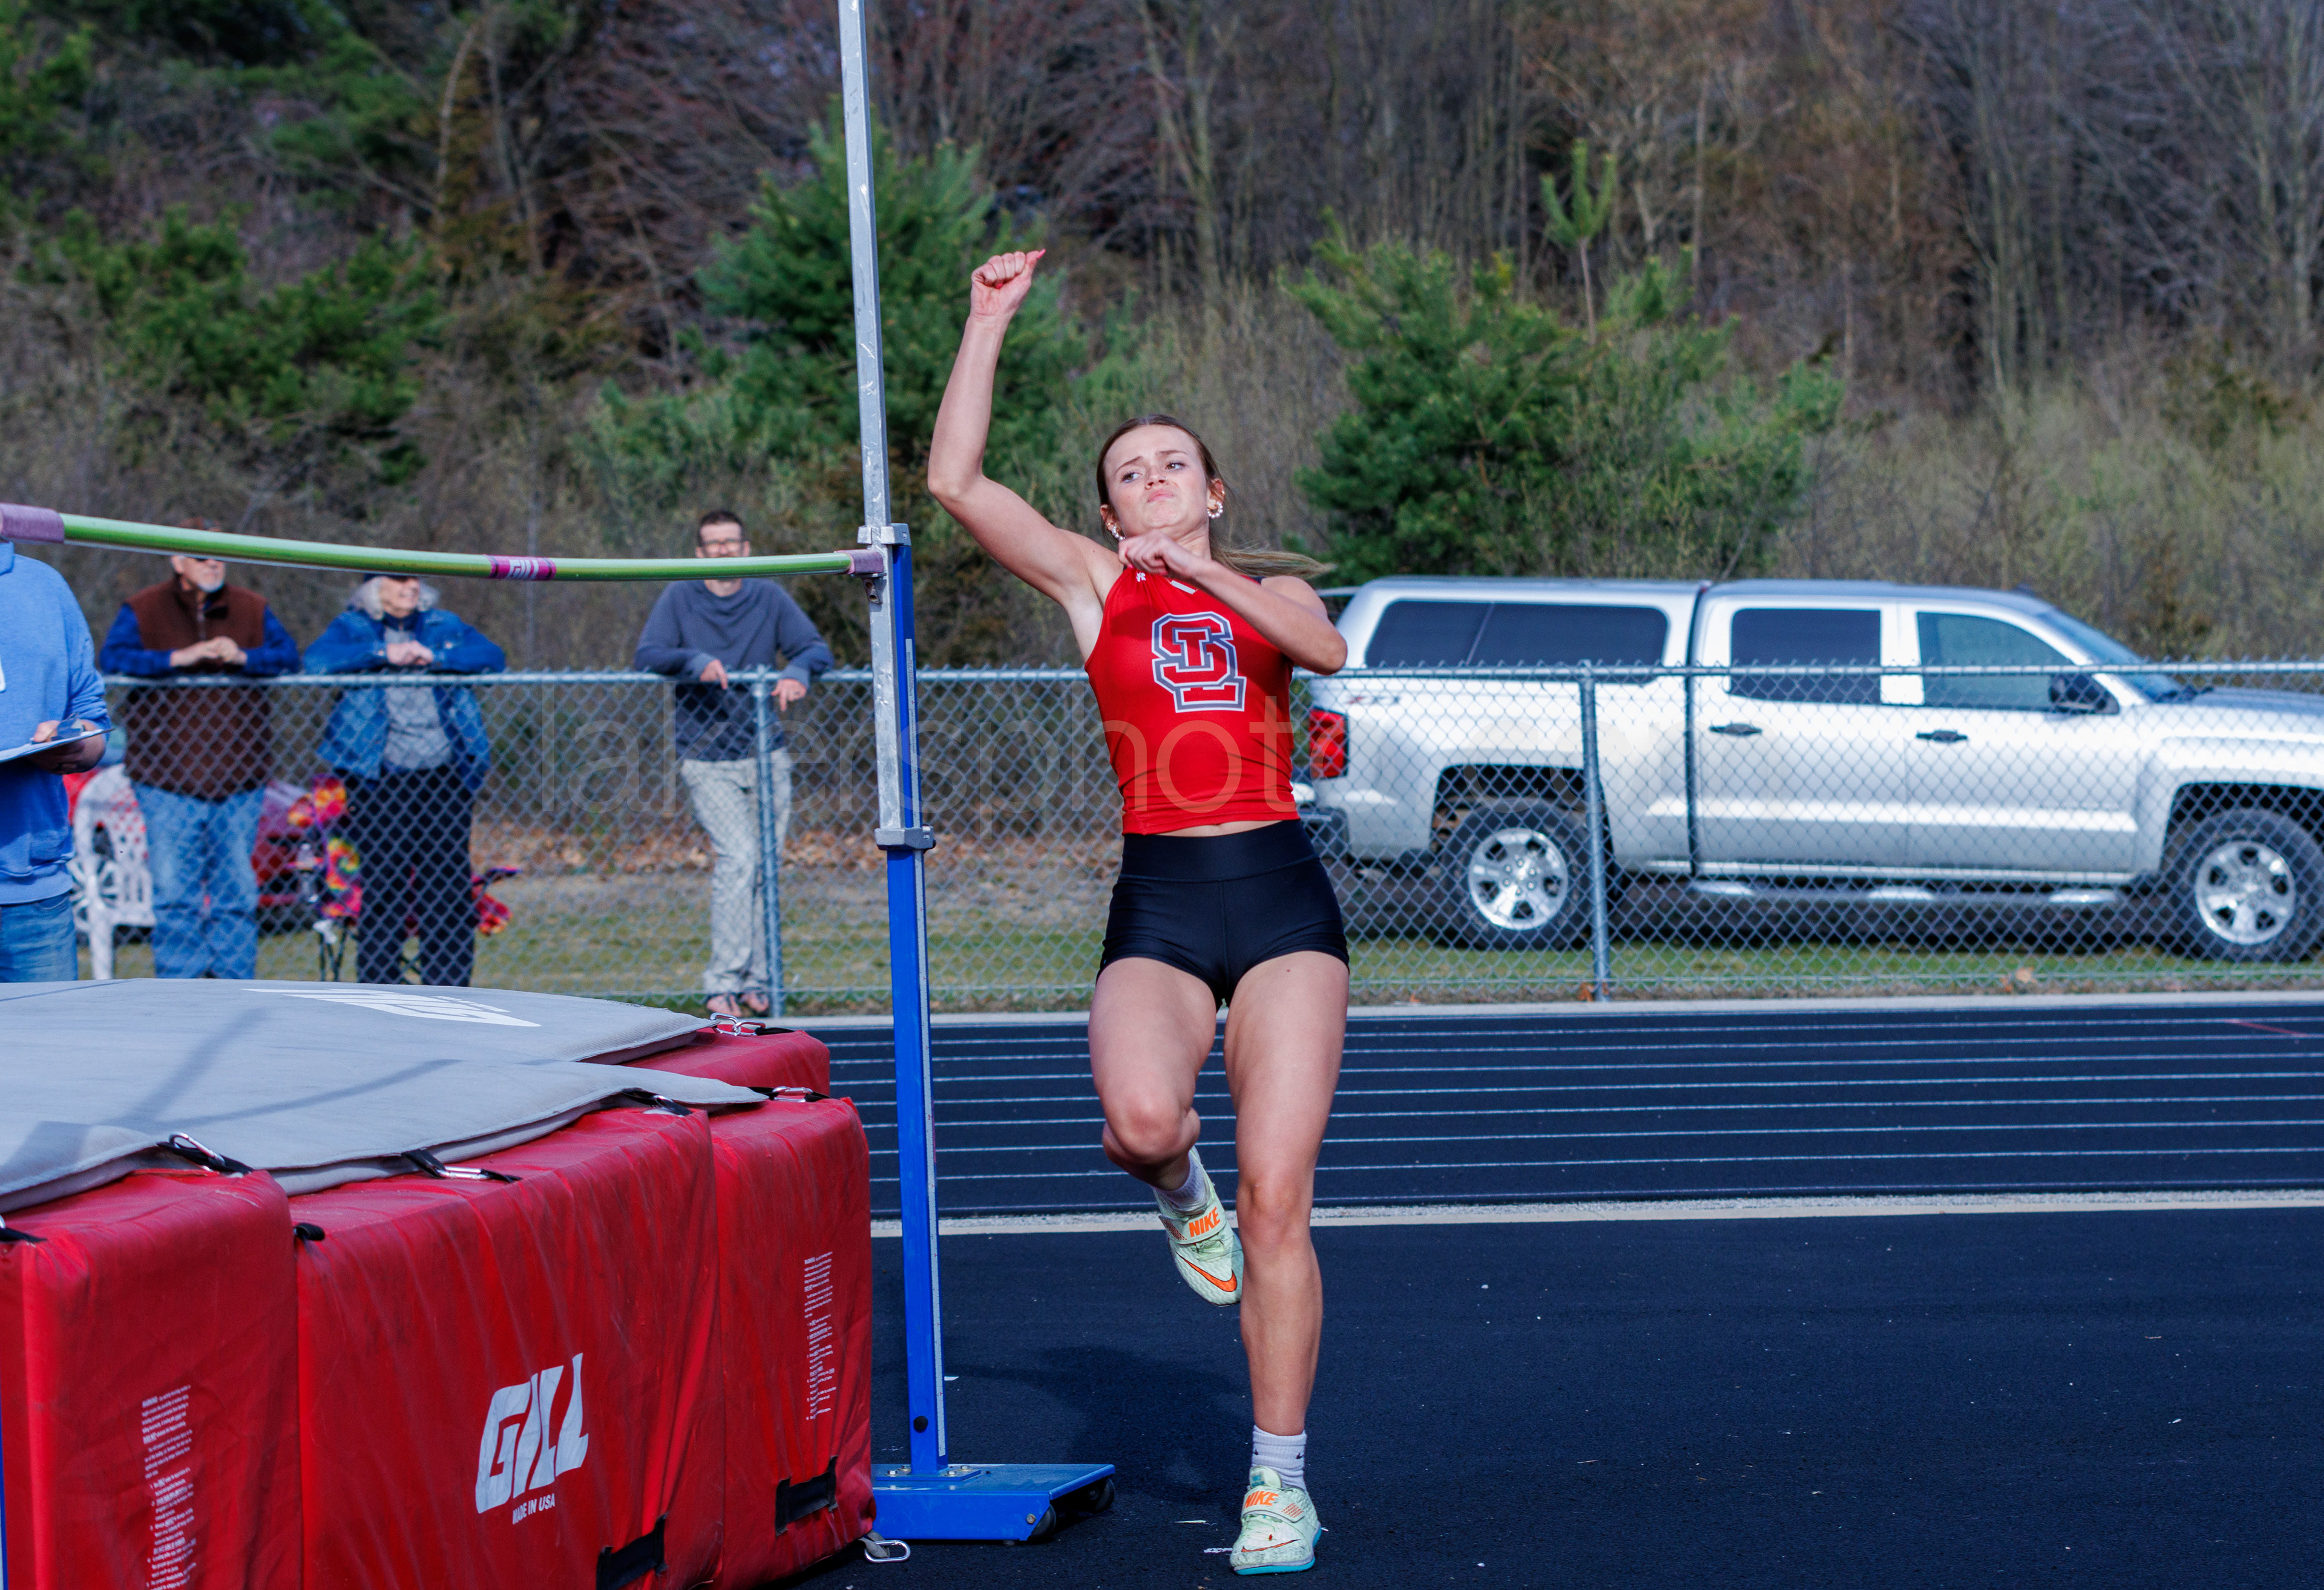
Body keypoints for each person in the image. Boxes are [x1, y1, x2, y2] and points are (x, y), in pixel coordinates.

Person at [928, 250, 1350, 1575]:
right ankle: (1179, 1194)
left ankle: (1278, 1484)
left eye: (1176, 465)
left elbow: (1325, 650)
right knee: (1143, 1122)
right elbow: (956, 485)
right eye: (1131, 472)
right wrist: (987, 322)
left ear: (1213, 492)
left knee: (1281, 1205)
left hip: (1280, 900)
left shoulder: (1276, 598)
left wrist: (1201, 570)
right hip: (1161, 896)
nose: (1154, 478)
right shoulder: (1095, 589)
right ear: (1106, 512)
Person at [634, 510, 833, 1019]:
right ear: (699, 553)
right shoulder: (679, 596)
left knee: (765, 867)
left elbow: (814, 649)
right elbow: (649, 653)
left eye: (731, 542)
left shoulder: (768, 596)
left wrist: (799, 672)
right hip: (707, 756)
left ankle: (757, 980)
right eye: (713, 543)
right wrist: (693, 661)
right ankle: (721, 983)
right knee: (739, 860)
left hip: (766, 752)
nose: (723, 550)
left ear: (746, 549)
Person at [98, 539, 300, 978]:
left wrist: (244, 656)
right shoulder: (144, 607)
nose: (213, 564)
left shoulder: (252, 607)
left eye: (219, 556)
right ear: (178, 561)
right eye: (202, 557)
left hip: (240, 776)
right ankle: (181, 987)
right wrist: (177, 658)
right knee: (174, 894)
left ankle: (233, 983)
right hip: (166, 777)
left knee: (237, 893)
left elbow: (290, 657)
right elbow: (112, 659)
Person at [304, 575, 506, 987]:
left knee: (447, 882)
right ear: (374, 588)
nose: (410, 586)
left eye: (414, 578)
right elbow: (317, 663)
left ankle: (448, 986)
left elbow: (491, 657)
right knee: (385, 880)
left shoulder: (442, 624)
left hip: (445, 774)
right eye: (398, 579)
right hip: (380, 777)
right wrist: (383, 653)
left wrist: (437, 657)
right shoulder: (353, 626)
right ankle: (381, 984)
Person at [0, 538, 110, 981]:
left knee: (50, 1030)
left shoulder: (44, 586)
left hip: (34, 896)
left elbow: (92, 719)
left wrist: (73, 745)